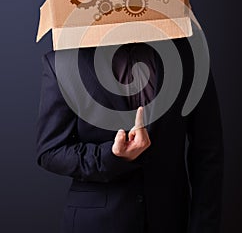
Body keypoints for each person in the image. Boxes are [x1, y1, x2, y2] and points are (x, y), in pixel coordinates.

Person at [36, 36, 224, 233]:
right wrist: (110, 156)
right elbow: (50, 151)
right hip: (97, 223)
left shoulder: (188, 53)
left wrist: (204, 226)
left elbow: (208, 150)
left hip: (169, 220)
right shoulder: (64, 61)